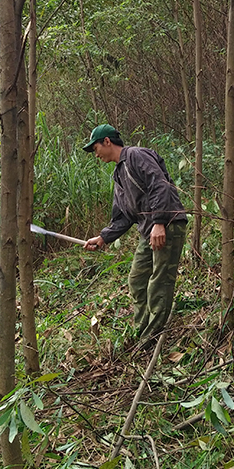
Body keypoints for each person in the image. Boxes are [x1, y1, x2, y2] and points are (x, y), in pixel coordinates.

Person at [82, 124, 187, 345]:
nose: (95, 154)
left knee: (159, 282)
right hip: (148, 231)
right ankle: (142, 330)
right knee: (137, 280)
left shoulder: (137, 155)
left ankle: (152, 338)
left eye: (95, 148)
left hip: (167, 224)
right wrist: (103, 237)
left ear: (107, 142)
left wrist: (159, 222)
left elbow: (160, 186)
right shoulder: (118, 175)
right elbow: (123, 217)